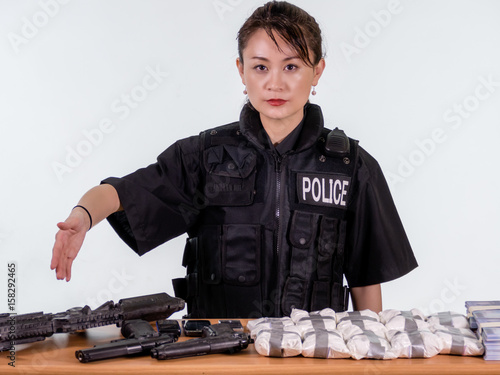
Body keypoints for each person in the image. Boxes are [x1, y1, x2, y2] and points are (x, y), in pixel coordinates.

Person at [50, 1, 417, 318]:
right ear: (241, 71)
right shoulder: (204, 158)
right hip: (220, 354)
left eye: (291, 66)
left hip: (312, 355)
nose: (275, 83)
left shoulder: (351, 167)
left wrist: (369, 355)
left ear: (317, 71)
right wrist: (82, 217)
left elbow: (367, 285)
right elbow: (123, 192)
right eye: (260, 67)